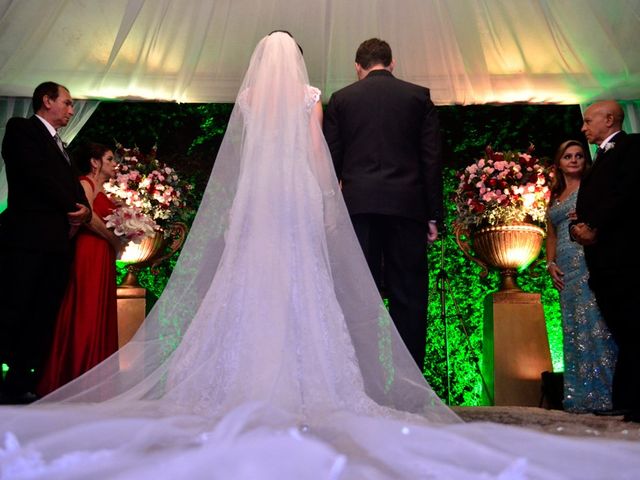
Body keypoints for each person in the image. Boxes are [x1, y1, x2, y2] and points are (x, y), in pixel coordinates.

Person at [1, 33, 640, 479]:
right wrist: (337, 206)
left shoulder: (267, 101)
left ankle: (239, 374)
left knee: (249, 289)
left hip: (260, 209)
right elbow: (321, 161)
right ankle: (373, 385)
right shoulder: (318, 96)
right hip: (310, 206)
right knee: (329, 294)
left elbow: (248, 164)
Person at [323, 38, 443, 369]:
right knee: (409, 296)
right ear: (392, 64)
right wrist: (432, 215)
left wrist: (332, 213)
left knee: (361, 296)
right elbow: (431, 160)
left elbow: (330, 164)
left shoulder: (341, 100)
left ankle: (367, 385)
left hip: (357, 210)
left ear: (358, 67)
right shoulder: (418, 97)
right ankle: (410, 391)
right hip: (407, 208)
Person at [0, 81, 91, 404]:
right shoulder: (21, 129)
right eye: (66, 103)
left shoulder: (61, 145)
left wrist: (85, 209)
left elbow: (76, 185)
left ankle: (19, 383)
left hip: (57, 245)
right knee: (13, 307)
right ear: (46, 100)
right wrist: (72, 208)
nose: (71, 110)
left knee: (43, 314)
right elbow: (36, 176)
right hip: (26, 239)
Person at [571, 100, 640, 423]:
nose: (584, 128)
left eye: (588, 121)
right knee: (624, 331)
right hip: (602, 262)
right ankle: (627, 399)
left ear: (609, 119)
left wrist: (594, 225)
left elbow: (626, 195)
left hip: (623, 259)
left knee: (632, 327)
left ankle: (632, 400)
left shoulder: (631, 147)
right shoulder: (600, 157)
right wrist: (578, 227)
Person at [37, 142, 122, 396]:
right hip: (89, 253)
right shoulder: (85, 183)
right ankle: (77, 374)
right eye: (109, 159)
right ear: (95, 162)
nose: (113, 163)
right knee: (86, 308)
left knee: (97, 308)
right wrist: (115, 239)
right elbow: (87, 218)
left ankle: (95, 377)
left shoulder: (105, 189)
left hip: (101, 254)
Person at [546, 140, 616, 413]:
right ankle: (581, 397)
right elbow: (550, 232)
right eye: (567, 156)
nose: (574, 160)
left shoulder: (591, 188)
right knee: (573, 326)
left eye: (578, 156)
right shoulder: (554, 197)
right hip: (565, 268)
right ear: (559, 163)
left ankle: (608, 394)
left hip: (587, 260)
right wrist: (549, 263)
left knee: (597, 325)